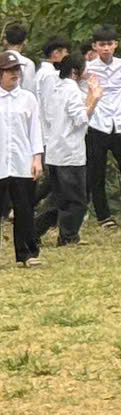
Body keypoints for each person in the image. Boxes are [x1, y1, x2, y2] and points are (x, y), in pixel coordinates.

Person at [31, 42, 88, 246]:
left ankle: (35, 231)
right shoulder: (71, 89)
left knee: (58, 197)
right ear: (76, 71)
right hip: (69, 150)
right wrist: (94, 100)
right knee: (76, 199)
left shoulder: (55, 87)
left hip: (54, 147)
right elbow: (80, 118)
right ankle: (69, 235)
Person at [84, 26, 121, 229]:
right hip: (96, 124)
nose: (106, 48)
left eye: (109, 44)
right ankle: (103, 216)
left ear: (116, 44)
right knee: (96, 172)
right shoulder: (88, 68)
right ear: (94, 46)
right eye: (101, 45)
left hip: (120, 124)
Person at [0, 55, 44, 265]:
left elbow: (35, 131)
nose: (14, 74)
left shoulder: (28, 99)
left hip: (21, 162)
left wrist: (37, 158)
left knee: (24, 208)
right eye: (10, 70)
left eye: (17, 70)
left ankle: (26, 253)